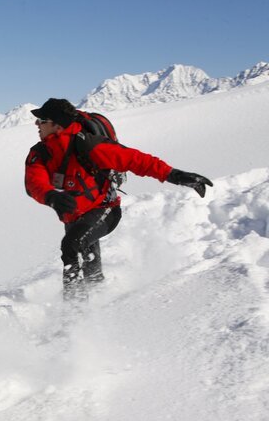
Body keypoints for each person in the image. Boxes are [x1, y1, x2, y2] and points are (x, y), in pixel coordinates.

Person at [24, 98, 213, 300]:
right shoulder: (41, 152)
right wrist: (50, 196)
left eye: (42, 120)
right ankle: (100, 300)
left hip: (104, 209)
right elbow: (33, 181)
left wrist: (174, 175)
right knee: (88, 263)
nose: (37, 124)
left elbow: (136, 160)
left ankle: (74, 312)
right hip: (73, 215)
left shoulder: (88, 145)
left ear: (57, 125)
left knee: (72, 245)